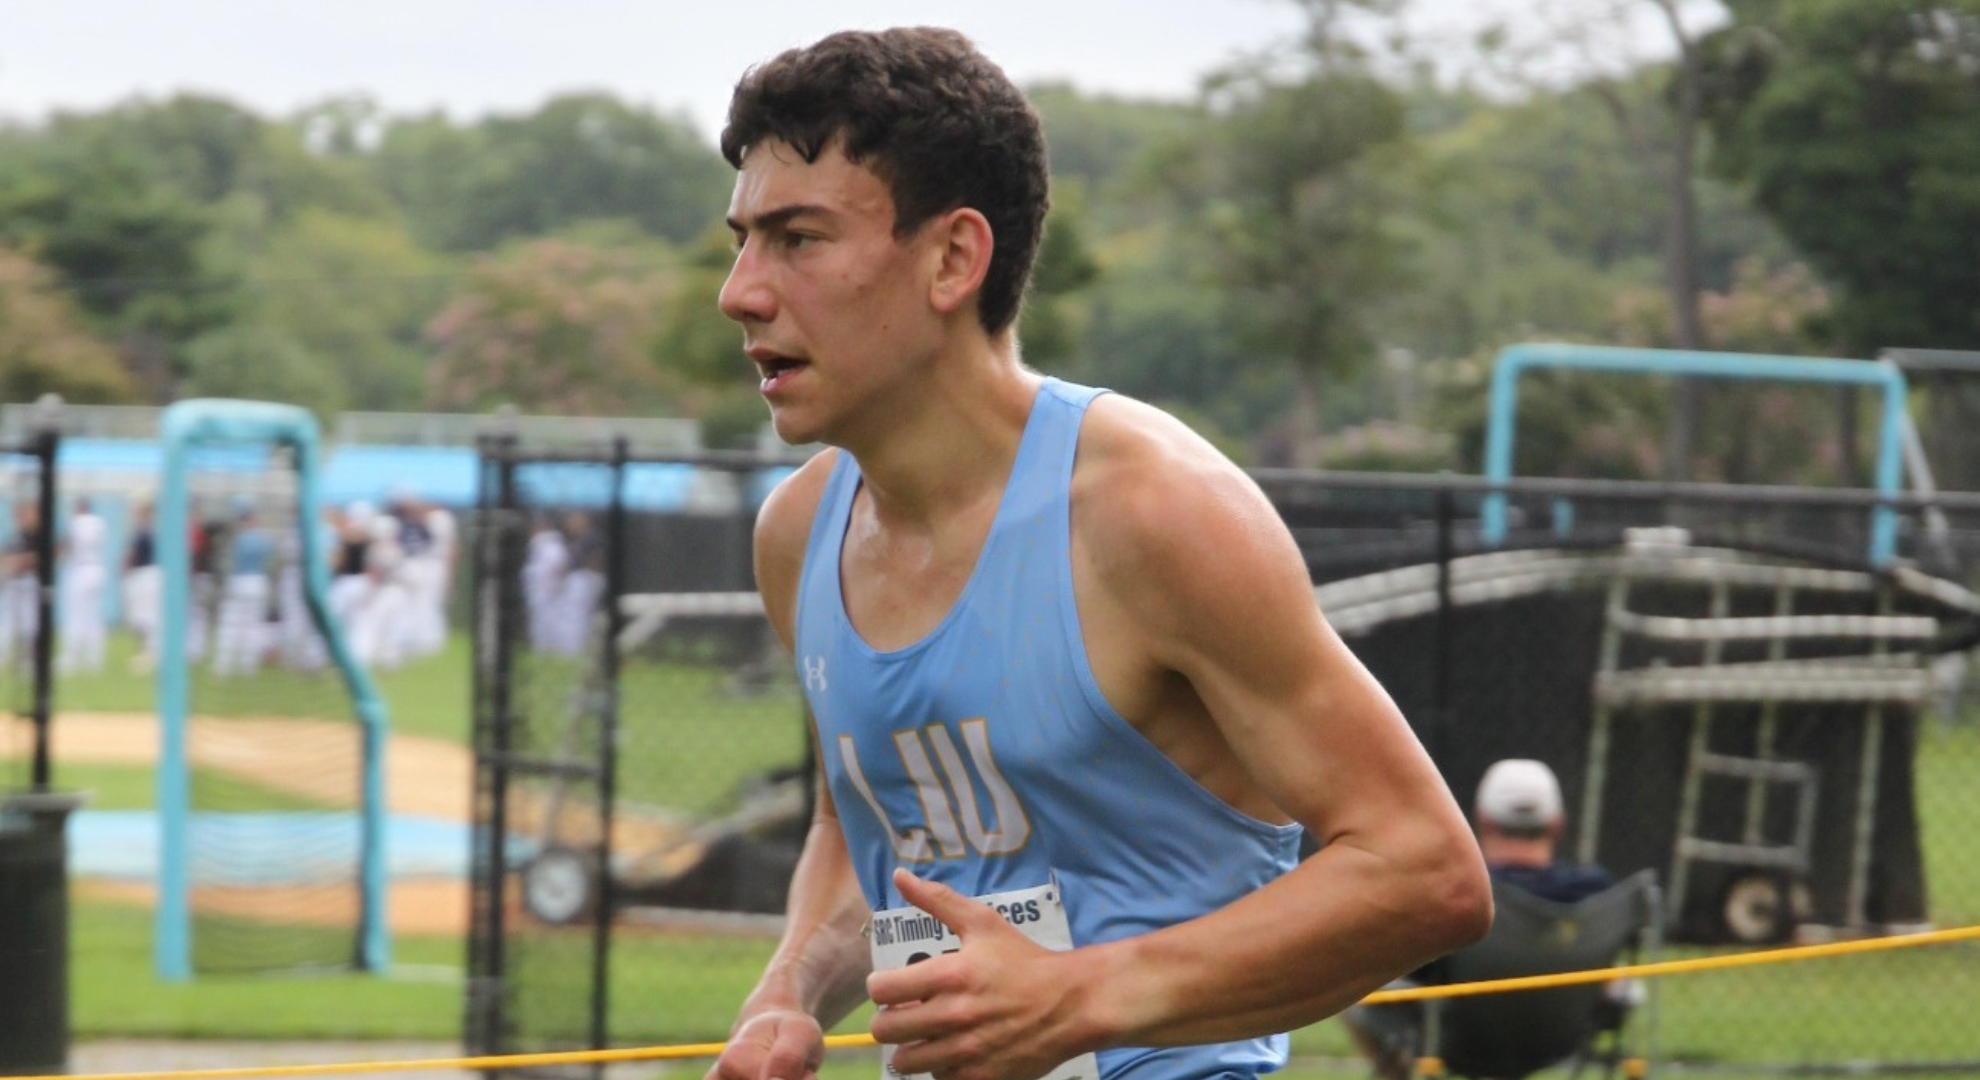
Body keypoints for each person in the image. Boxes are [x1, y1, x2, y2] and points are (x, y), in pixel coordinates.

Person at [703, 28, 1492, 1080]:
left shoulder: (1156, 512)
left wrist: (1083, 998)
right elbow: (866, 828)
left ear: (953, 258)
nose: (741, 291)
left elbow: (1427, 872)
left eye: (798, 239)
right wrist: (786, 994)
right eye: (743, 240)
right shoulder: (796, 539)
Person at [1345, 759, 1616, 1080]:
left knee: (1354, 994)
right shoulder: (1596, 894)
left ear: (1483, 820)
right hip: (1562, 1039)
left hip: (1457, 1043)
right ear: (1557, 824)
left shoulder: (1459, 890)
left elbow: (1418, 969)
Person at [57, 497, 109, 674]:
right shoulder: (99, 523)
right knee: (94, 617)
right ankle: (94, 660)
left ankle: (71, 658)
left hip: (80, 569)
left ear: (79, 508)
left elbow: (68, 546)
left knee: (75, 616)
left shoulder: (76, 522)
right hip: (96, 568)